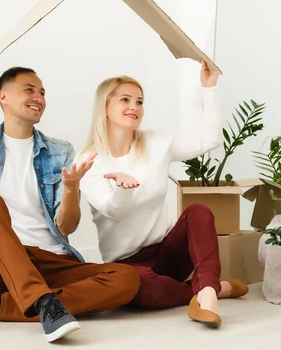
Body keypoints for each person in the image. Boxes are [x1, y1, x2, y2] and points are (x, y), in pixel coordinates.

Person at [0, 49, 140, 342]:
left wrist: (70, 188)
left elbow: (66, 228)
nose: (39, 98)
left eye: (42, 92)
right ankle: (43, 303)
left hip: (50, 261)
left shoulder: (60, 151)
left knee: (126, 279)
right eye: (29, 90)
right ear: (3, 97)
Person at [77, 60, 248, 329]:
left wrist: (209, 89)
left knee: (198, 211)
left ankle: (207, 296)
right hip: (128, 265)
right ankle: (213, 287)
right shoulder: (89, 160)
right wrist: (122, 188)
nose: (134, 107)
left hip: (167, 253)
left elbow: (209, 140)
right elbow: (113, 210)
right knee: (139, 293)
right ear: (105, 107)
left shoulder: (157, 143)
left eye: (139, 101)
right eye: (125, 99)